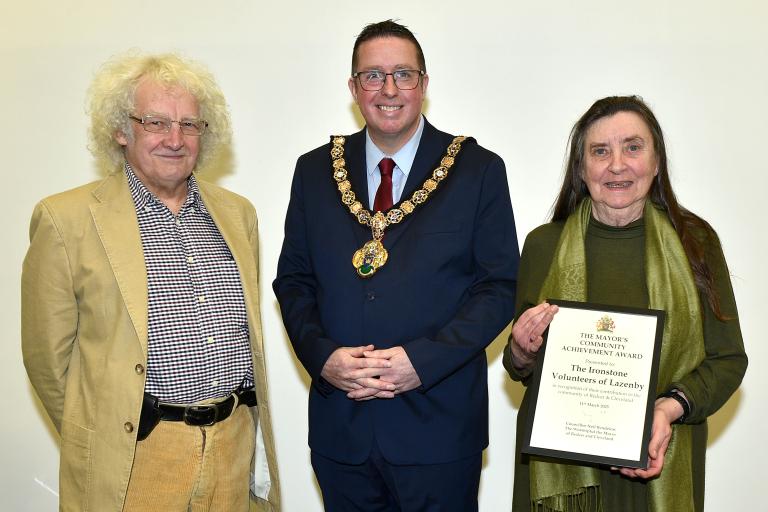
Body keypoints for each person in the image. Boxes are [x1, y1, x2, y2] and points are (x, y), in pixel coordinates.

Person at [273, 20, 518, 511]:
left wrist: (419, 363)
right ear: (353, 88)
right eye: (373, 76)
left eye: (404, 75)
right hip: (341, 430)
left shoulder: (477, 170)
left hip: (440, 429)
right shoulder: (314, 171)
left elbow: (499, 287)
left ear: (424, 85)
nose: (389, 89)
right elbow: (294, 282)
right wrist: (324, 358)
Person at [21, 52, 280, 512]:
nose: (175, 139)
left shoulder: (238, 215)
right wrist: (108, 433)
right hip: (139, 455)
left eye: (189, 125)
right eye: (155, 122)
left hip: (233, 447)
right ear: (122, 130)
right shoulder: (66, 220)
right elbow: (47, 359)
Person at [503, 95, 747, 511]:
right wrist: (520, 348)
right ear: (582, 168)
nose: (617, 165)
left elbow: (727, 360)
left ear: (656, 161)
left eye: (633, 147)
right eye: (600, 151)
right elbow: (519, 368)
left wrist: (667, 410)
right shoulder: (543, 245)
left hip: (658, 464)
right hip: (559, 474)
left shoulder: (696, 244)